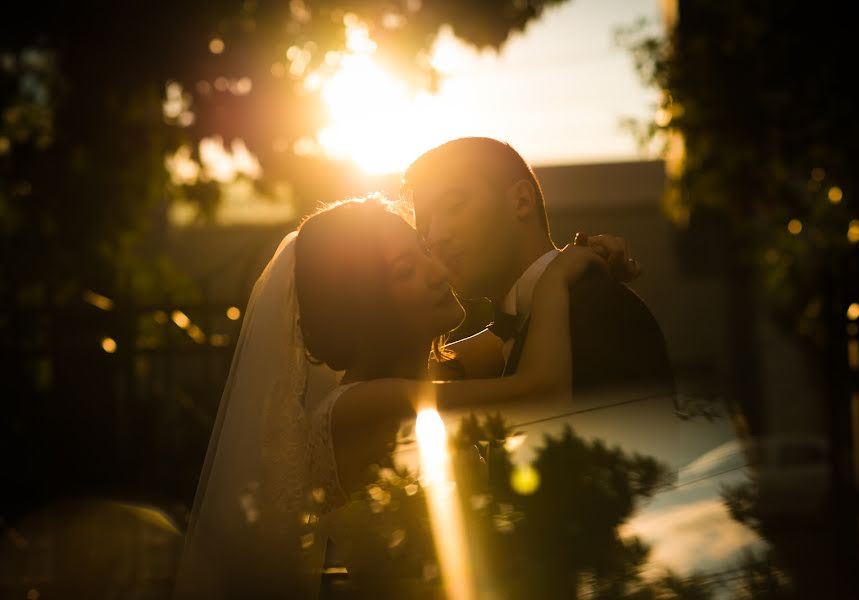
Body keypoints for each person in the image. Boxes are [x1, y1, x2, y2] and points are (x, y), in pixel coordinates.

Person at [172, 195, 635, 599]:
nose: (436, 272)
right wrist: (557, 281)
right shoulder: (358, 407)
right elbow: (543, 390)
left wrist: (581, 261)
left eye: (424, 252)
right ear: (366, 304)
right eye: (404, 271)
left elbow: (511, 329)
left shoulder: (432, 373)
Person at [402, 137, 675, 397]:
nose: (435, 236)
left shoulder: (597, 307)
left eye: (453, 207)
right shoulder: (521, 324)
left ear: (521, 201)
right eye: (424, 227)